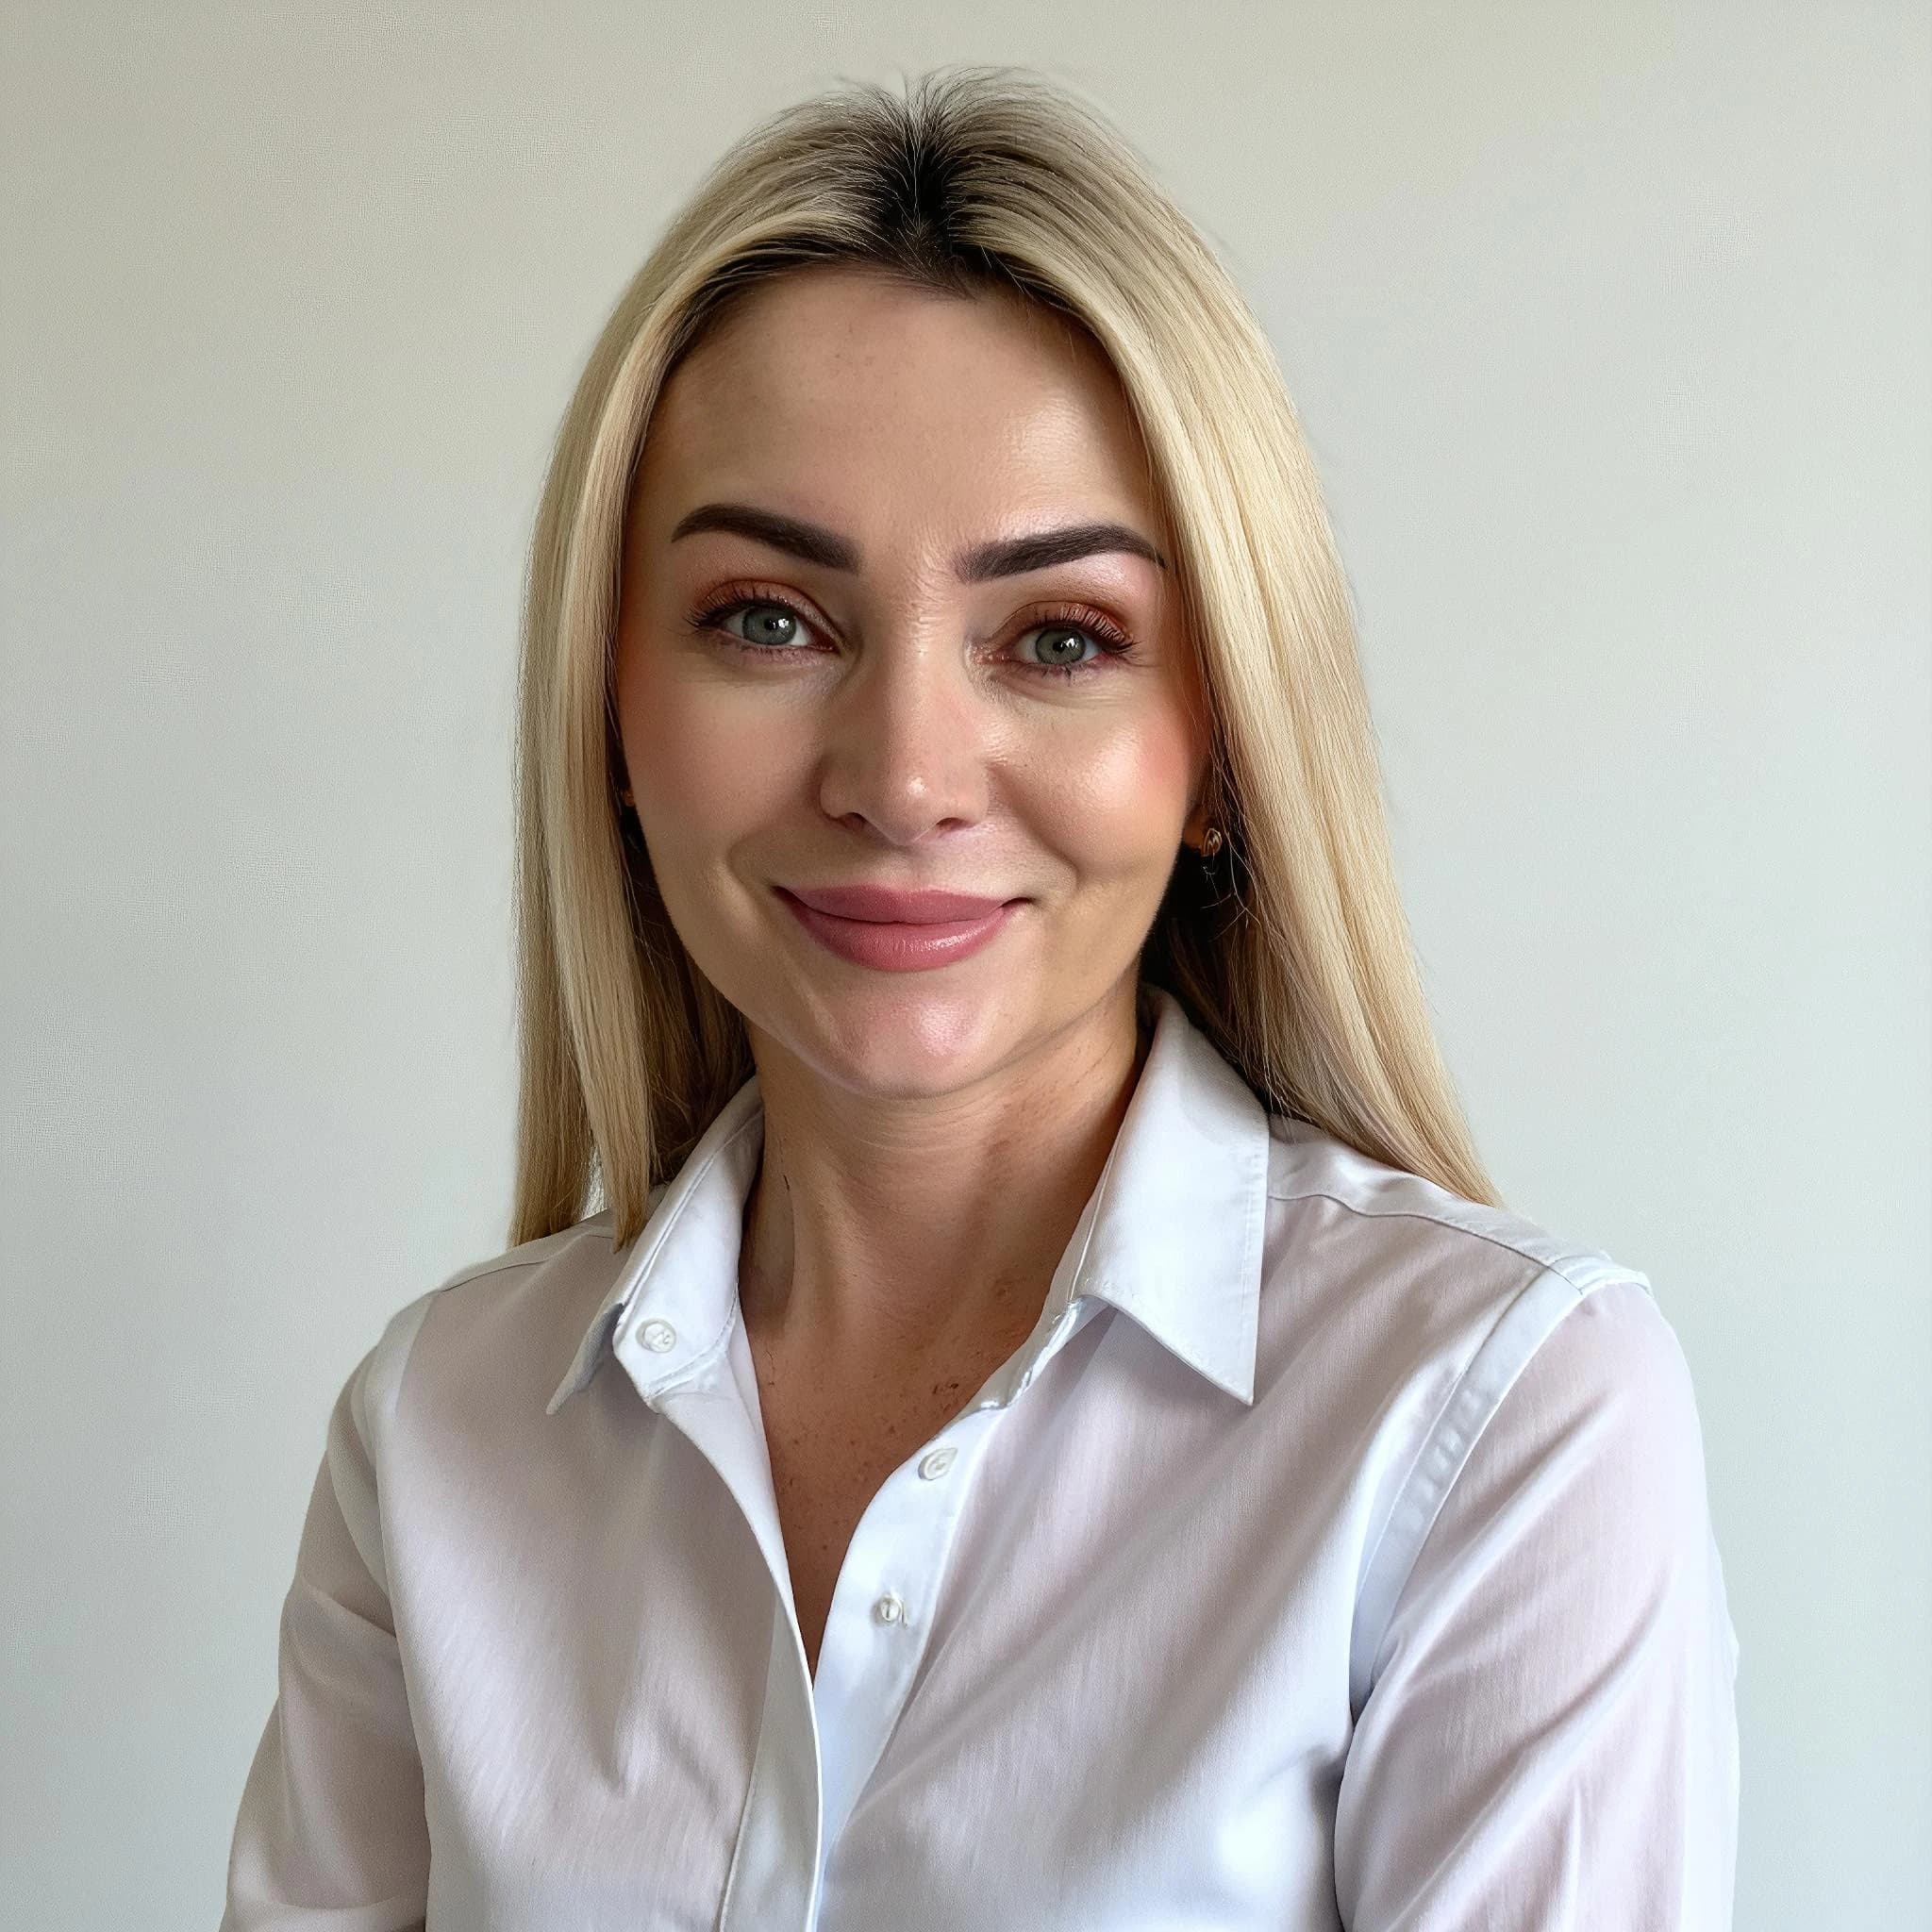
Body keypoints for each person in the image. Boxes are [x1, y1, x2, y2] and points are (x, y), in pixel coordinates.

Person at [220, 63, 1740, 1931]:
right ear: (614, 715)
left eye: (1060, 638)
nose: (904, 776)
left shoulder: (1498, 1418)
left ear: (1220, 751)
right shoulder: (438, 1428)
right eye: (768, 618)